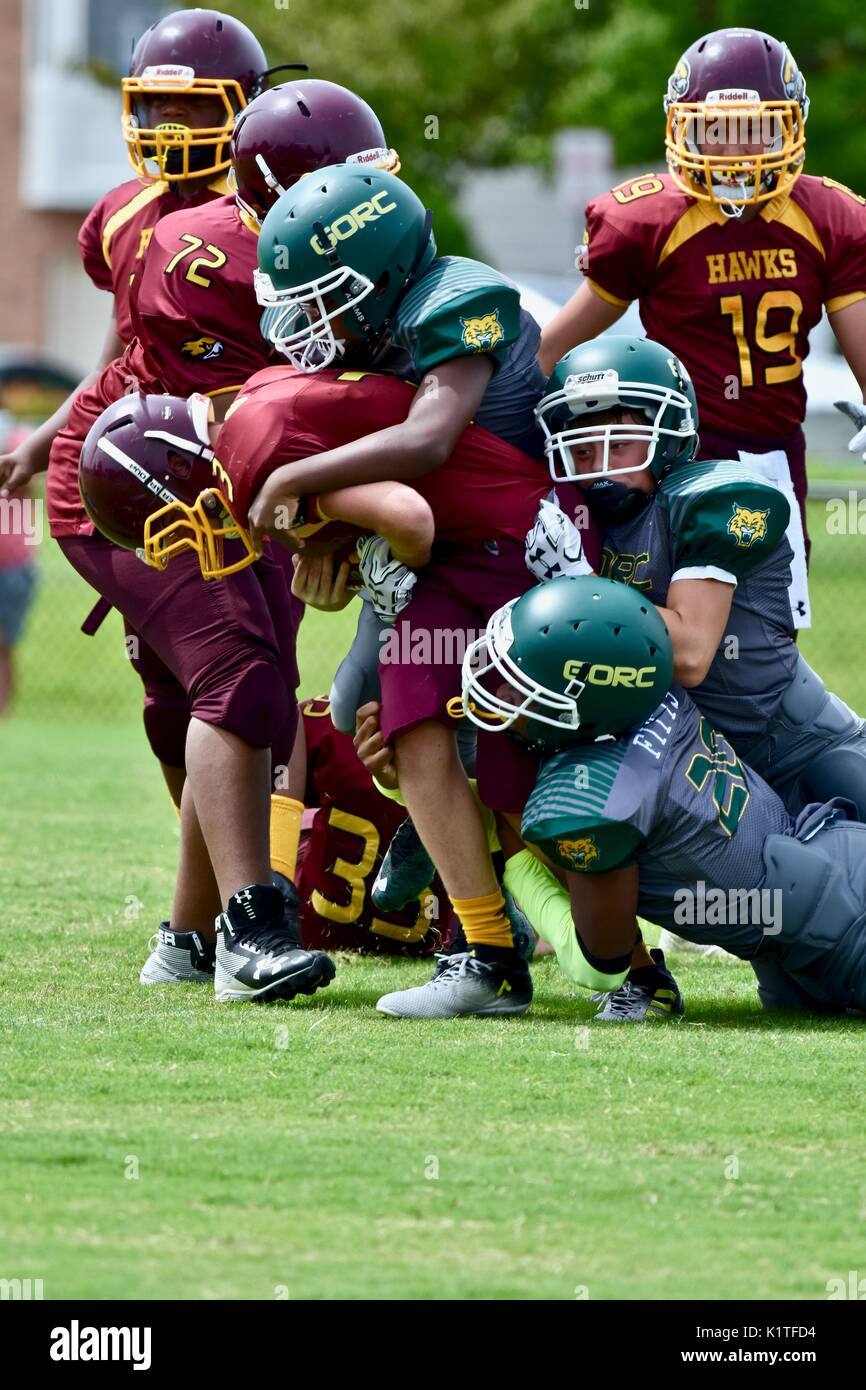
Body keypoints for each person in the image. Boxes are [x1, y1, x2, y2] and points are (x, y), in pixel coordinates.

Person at [43, 81, 400, 990]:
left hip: (227, 480)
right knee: (238, 679)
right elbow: (266, 424)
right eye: (347, 186)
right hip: (141, 483)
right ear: (293, 196)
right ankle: (251, 933)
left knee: (249, 694)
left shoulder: (308, 249)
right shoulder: (202, 256)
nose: (373, 206)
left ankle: (187, 940)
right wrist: (327, 529)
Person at [247, 164, 578, 1018]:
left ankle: (628, 953)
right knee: (390, 721)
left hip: (526, 550)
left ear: (383, 275)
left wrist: (294, 475)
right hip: (440, 559)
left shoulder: (460, 296)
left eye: (324, 298)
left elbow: (430, 441)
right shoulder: (375, 333)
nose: (308, 323)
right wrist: (335, 552)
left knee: (525, 765)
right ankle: (484, 952)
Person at [539, 26, 866, 631]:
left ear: (789, 124)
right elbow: (552, 351)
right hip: (671, 451)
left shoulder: (828, 216)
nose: (734, 147)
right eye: (717, 127)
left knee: (764, 643)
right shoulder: (649, 219)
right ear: (684, 125)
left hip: (772, 455)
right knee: (654, 629)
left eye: (754, 127)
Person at [467, 576, 866, 1020]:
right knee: (790, 1003)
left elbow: (600, 963)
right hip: (825, 875)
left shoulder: (592, 800)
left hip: (837, 934)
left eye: (521, 685)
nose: (501, 692)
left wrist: (513, 855)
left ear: (582, 699)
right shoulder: (652, 692)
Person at [534, 334, 866, 823]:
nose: (598, 467)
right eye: (582, 451)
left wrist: (580, 588)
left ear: (669, 434)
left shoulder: (706, 500)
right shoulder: (572, 520)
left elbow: (690, 654)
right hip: (693, 763)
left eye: (617, 445)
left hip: (799, 749)